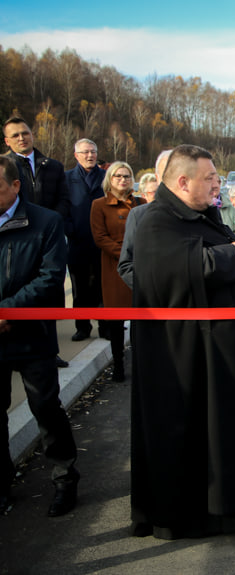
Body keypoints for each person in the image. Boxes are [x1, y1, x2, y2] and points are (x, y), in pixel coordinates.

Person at [130, 145, 235, 539]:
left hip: (221, 351)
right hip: (187, 357)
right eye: (210, 179)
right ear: (181, 181)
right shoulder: (157, 223)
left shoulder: (201, 216)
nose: (217, 186)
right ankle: (204, 513)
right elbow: (188, 269)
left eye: (217, 178)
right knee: (197, 435)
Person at [0, 155, 79, 516]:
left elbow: (50, 279)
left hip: (32, 334)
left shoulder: (45, 222)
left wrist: (8, 311)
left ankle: (64, 477)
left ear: (15, 186)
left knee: (45, 408)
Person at [4, 116, 71, 368]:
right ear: (7, 141)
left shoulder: (52, 166)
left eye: (25, 133)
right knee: (15, 290)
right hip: (15, 238)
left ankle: (49, 352)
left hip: (47, 236)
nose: (22, 138)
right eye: (16, 135)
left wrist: (50, 222)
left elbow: (65, 200)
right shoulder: (4, 167)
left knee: (48, 291)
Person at [90, 162, 143, 382]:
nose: (123, 179)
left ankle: (141, 364)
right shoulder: (99, 205)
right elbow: (100, 237)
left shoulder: (141, 203)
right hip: (114, 266)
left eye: (127, 175)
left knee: (140, 318)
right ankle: (118, 365)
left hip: (140, 264)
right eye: (118, 176)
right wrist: (124, 254)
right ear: (109, 179)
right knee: (116, 320)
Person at [65, 138, 107, 342]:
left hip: (102, 244)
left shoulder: (106, 177)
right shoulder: (66, 179)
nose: (90, 155)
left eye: (93, 151)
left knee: (103, 287)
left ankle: (106, 325)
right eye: (85, 152)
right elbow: (62, 209)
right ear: (76, 155)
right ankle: (82, 327)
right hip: (78, 242)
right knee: (79, 289)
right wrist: (70, 229)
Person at [117, 149, 171, 290]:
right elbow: (127, 265)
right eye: (167, 172)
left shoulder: (200, 212)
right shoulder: (138, 215)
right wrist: (152, 291)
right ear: (158, 177)